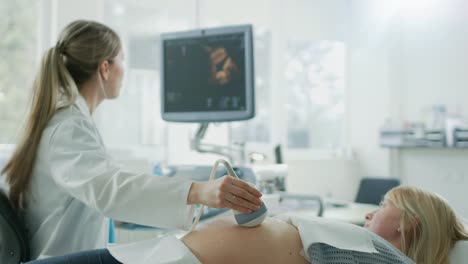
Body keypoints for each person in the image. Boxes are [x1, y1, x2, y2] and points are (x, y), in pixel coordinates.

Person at [1, 19, 263, 260]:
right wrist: (198, 191)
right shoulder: (67, 127)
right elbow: (109, 189)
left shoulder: (70, 121)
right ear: (105, 68)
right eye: (122, 59)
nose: (124, 69)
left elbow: (104, 186)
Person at [28, 186, 468, 264]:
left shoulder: (386, 261)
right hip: (152, 256)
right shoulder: (370, 249)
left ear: (409, 225)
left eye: (384, 205)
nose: (370, 212)